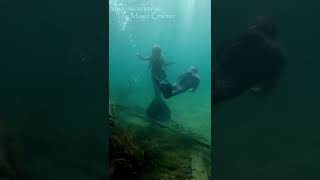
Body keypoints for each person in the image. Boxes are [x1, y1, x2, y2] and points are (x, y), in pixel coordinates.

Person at [213, 16, 287, 105]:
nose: (251, 27)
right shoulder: (279, 54)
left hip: (223, 80)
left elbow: (225, 54)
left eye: (254, 25)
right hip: (234, 89)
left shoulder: (253, 36)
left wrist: (214, 73)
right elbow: (268, 86)